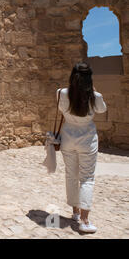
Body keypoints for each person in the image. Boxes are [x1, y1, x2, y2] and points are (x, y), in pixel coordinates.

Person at [57, 62, 107, 233]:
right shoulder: (95, 96)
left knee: (71, 175)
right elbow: (102, 110)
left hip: (68, 139)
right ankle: (85, 221)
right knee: (87, 178)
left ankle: (75, 213)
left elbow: (61, 108)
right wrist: (93, 90)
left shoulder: (62, 93)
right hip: (87, 140)